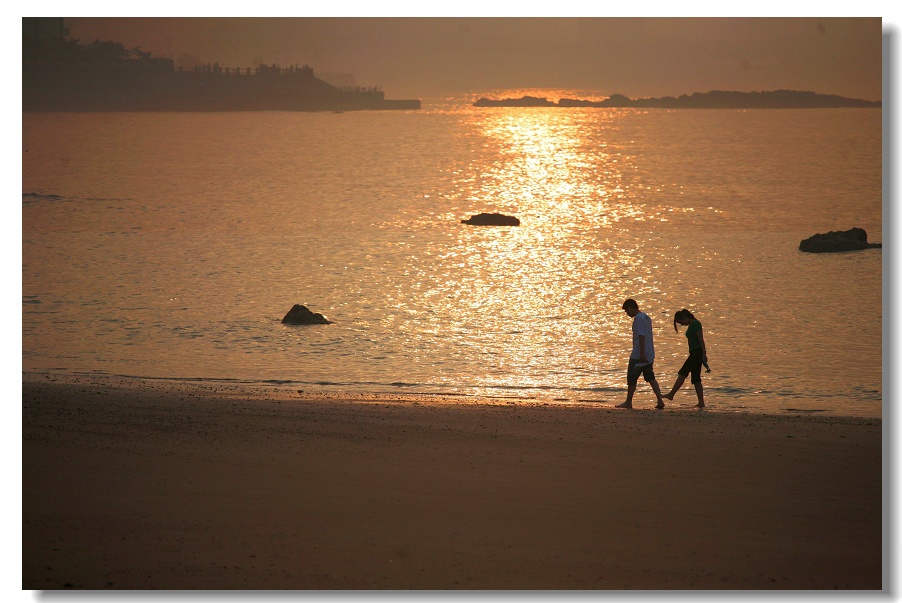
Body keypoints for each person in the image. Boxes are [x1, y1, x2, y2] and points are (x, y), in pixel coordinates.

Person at [616, 298, 666, 409]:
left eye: (627, 310)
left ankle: (628, 402)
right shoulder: (646, 317)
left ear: (631, 307)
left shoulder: (638, 319)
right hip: (649, 353)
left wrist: (641, 353)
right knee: (650, 377)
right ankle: (660, 400)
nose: (627, 313)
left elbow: (641, 336)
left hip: (639, 354)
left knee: (632, 378)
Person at [664, 309, 708, 408]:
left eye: (681, 322)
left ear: (685, 317)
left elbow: (701, 339)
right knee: (696, 379)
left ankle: (671, 394)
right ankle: (701, 403)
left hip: (697, 352)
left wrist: (704, 353)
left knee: (683, 372)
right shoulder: (692, 325)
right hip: (694, 352)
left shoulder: (696, 324)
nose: (682, 324)